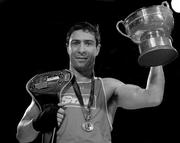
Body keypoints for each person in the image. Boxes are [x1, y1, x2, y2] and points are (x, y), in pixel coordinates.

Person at [16, 21, 165, 143]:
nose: (81, 49)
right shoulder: (50, 85)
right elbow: (21, 136)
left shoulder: (108, 87)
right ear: (68, 47)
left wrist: (154, 48)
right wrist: (37, 123)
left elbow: (152, 97)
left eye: (88, 43)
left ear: (97, 49)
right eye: (75, 43)